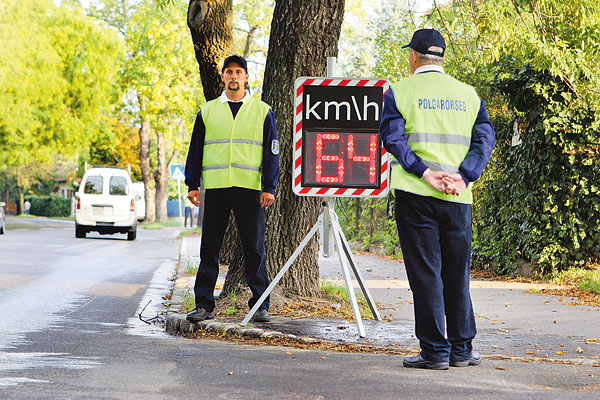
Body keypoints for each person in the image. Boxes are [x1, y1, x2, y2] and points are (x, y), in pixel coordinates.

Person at [380, 29, 495, 370]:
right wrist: (464, 175)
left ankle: (434, 352)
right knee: (457, 274)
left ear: (413, 57)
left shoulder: (399, 92)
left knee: (426, 274)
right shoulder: (469, 95)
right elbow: (484, 139)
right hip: (459, 197)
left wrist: (425, 172)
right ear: (442, 58)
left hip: (416, 195)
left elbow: (393, 139)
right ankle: (462, 349)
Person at [184, 55, 280, 323]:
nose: (234, 77)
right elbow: (196, 149)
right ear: (223, 76)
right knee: (209, 248)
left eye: (239, 72)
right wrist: (192, 184)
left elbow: (273, 153)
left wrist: (269, 186)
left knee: (255, 247)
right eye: (229, 72)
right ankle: (204, 305)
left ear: (247, 77)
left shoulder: (263, 111)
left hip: (250, 189)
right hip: (215, 189)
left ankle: (260, 305)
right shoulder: (207, 111)